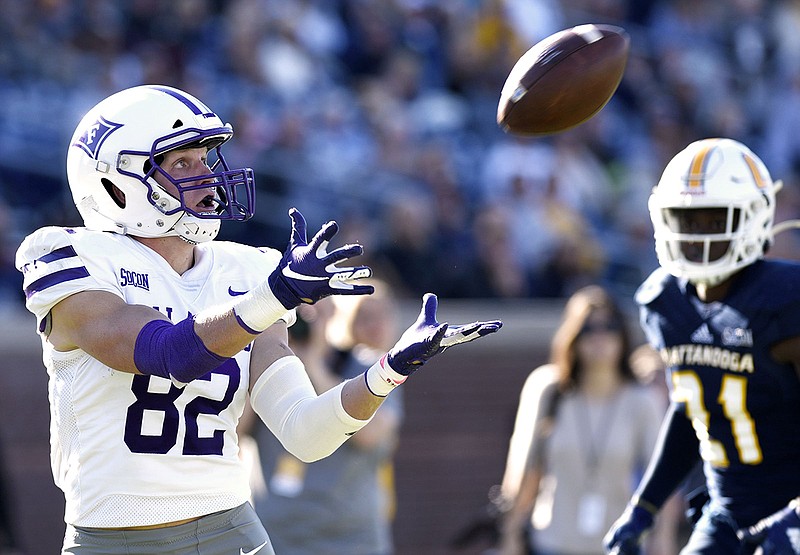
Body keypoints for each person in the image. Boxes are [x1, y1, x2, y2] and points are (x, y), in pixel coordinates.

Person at [13, 84, 502, 555]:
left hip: (231, 529)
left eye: (205, 159)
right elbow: (165, 353)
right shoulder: (73, 257)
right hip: (113, 536)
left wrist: (388, 371)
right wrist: (274, 294)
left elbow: (305, 433)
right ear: (117, 180)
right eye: (182, 162)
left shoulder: (243, 271)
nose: (205, 175)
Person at [603, 137, 800, 555]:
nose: (697, 236)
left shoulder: (785, 302)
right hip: (729, 511)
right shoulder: (664, 303)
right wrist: (644, 506)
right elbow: (694, 408)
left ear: (754, 217)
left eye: (714, 220)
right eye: (685, 219)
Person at [497, 285, 672, 555]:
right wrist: (510, 536)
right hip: (552, 542)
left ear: (623, 334)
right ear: (572, 335)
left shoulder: (641, 401)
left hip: (617, 544)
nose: (600, 337)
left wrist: (662, 542)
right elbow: (522, 470)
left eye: (609, 326)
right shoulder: (549, 388)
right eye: (589, 328)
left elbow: (661, 480)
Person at [249, 282, 403, 554]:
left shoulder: (367, 366)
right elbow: (233, 430)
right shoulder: (264, 363)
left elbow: (370, 434)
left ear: (334, 311)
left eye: (316, 309)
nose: (306, 317)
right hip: (279, 537)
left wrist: (313, 365)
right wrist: (265, 350)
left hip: (351, 538)